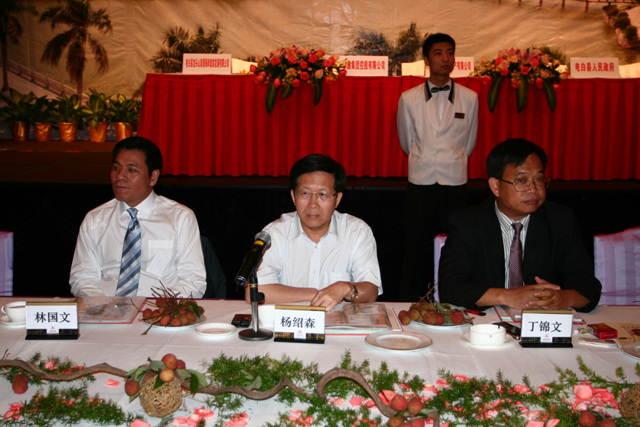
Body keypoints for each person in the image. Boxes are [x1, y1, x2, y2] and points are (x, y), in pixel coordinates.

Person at [438, 138, 601, 312]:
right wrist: (508, 296)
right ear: (495, 186)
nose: (533, 189)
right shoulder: (467, 223)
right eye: (521, 181)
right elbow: (451, 286)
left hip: (541, 319)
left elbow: (588, 285)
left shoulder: (560, 221)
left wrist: (563, 298)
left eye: (539, 179)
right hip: (487, 322)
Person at [396, 32, 479, 301]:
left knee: (454, 244)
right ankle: (412, 298)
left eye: (450, 52)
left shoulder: (470, 98)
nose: (446, 58)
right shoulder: (409, 98)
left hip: (454, 183)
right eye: (439, 53)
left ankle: (452, 297)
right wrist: (426, 158)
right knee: (416, 245)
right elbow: (407, 141)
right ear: (426, 59)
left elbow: (469, 142)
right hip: (420, 182)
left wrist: (449, 159)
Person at [69, 136, 206, 298]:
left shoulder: (180, 218)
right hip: (105, 307)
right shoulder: (95, 219)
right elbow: (82, 278)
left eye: (131, 170)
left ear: (153, 177)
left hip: (159, 308)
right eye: (116, 168)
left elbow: (193, 280)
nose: (120, 176)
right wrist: (103, 306)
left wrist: (159, 308)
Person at [248, 154, 382, 311]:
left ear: (337, 199)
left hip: (337, 323)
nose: (313, 204)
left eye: (322, 194)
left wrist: (345, 288)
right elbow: (255, 291)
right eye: (305, 193)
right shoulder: (275, 233)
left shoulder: (357, 231)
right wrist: (316, 294)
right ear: (293, 196)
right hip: (290, 322)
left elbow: (371, 291)